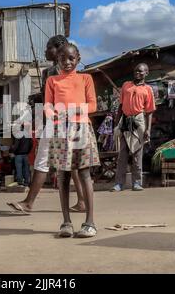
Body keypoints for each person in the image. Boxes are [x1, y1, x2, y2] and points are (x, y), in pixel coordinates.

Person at [7, 35, 86, 213]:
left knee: (42, 160)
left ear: (58, 48)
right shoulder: (71, 71)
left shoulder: (52, 71)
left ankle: (29, 203)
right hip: (68, 120)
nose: (45, 51)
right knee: (71, 163)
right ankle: (82, 201)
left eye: (48, 48)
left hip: (56, 121)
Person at [45, 43, 100, 238]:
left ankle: (90, 222)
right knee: (63, 176)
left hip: (81, 127)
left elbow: (92, 105)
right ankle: (66, 222)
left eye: (71, 58)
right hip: (60, 130)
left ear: (78, 58)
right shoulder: (52, 81)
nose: (67, 62)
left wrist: (73, 111)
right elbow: (47, 106)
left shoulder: (86, 78)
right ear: (57, 60)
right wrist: (55, 116)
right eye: (62, 59)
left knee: (84, 173)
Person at [111, 63, 156, 192]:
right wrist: (117, 123)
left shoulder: (148, 89)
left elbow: (149, 111)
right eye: (136, 71)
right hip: (125, 119)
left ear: (146, 73)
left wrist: (148, 129)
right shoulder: (126, 85)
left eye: (141, 71)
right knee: (123, 154)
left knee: (137, 153)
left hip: (139, 119)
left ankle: (137, 182)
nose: (137, 73)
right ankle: (119, 184)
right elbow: (120, 106)